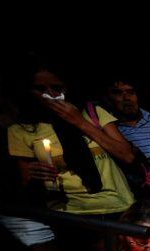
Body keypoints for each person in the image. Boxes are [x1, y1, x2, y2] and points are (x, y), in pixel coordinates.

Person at [8, 63, 135, 217]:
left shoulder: (92, 113)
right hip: (68, 212)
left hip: (117, 206)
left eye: (56, 88)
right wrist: (33, 174)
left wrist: (79, 121)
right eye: (40, 89)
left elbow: (127, 155)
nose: (50, 94)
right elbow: (24, 181)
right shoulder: (22, 129)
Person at [104, 77, 150, 198]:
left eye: (131, 92)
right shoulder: (110, 130)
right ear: (109, 99)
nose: (126, 98)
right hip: (140, 198)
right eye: (118, 93)